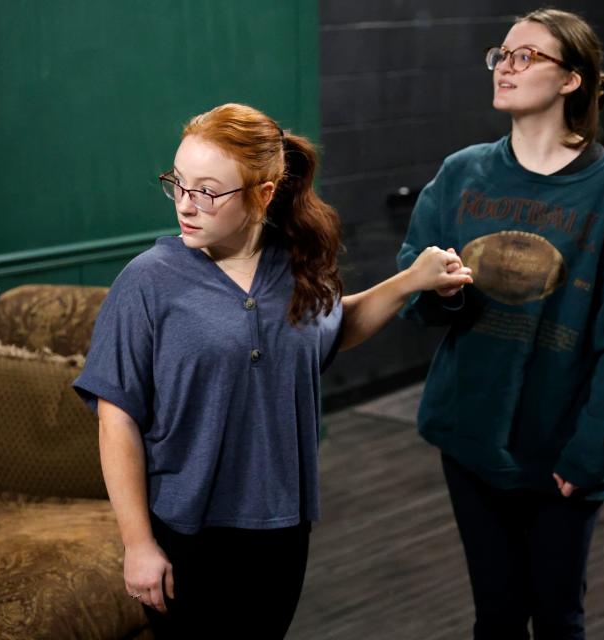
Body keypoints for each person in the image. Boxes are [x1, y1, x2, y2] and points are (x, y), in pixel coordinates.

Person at [72, 102, 472, 639]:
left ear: (262, 192)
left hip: (281, 525)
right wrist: (138, 543)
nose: (187, 205)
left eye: (209, 191)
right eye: (179, 184)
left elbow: (327, 330)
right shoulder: (147, 282)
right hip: (185, 529)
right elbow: (115, 418)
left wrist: (409, 281)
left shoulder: (300, 262)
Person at [396, 8, 604, 640]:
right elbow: (415, 280)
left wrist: (593, 451)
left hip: (561, 450)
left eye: (525, 56)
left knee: (558, 616)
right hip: (470, 438)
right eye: (501, 55)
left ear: (572, 80)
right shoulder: (463, 172)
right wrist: (442, 292)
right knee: (496, 614)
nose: (505, 67)